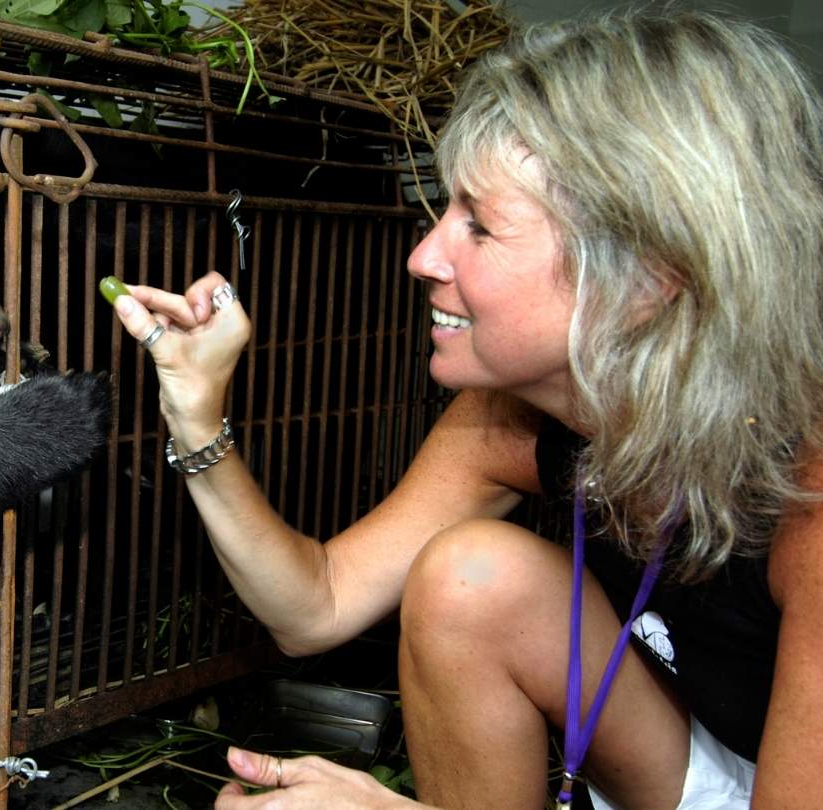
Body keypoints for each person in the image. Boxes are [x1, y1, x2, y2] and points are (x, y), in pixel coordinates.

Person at [105, 10, 823, 809]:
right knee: (468, 580)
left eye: (478, 225)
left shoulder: (810, 498)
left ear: (648, 278)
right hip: (724, 758)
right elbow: (316, 606)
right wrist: (198, 416)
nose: (423, 256)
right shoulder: (522, 416)